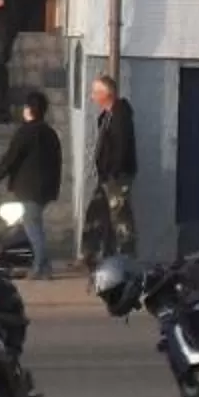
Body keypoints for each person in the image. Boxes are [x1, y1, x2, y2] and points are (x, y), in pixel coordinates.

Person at [0, 89, 63, 281]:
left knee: (33, 227)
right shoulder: (50, 133)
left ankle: (41, 267)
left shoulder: (25, 132)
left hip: (28, 188)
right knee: (33, 225)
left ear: (29, 109)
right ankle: (41, 264)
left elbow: (10, 159)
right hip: (46, 189)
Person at [84, 73, 137, 268]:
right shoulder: (105, 116)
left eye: (95, 92)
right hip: (105, 175)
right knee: (98, 214)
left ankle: (126, 258)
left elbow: (121, 146)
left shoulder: (120, 115)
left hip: (117, 176)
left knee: (120, 217)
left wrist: (114, 170)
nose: (92, 97)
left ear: (105, 94)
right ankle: (96, 255)